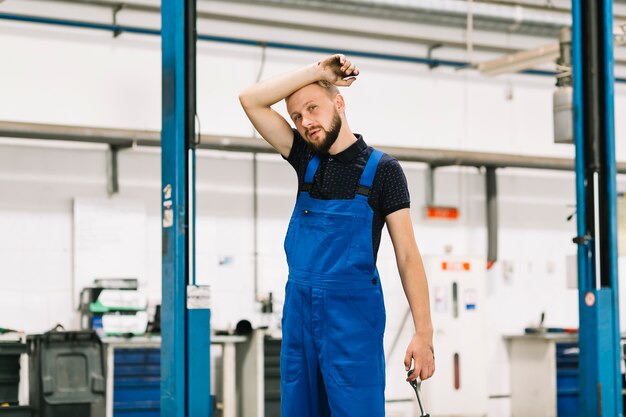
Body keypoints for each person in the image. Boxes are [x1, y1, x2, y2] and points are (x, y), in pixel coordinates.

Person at [239, 54, 434, 417]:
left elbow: (408, 256)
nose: (305, 122)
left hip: (352, 321)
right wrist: (316, 72)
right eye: (296, 117)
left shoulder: (383, 172)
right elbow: (250, 99)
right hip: (300, 315)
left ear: (339, 102)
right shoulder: (305, 160)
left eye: (312, 108)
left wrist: (424, 333)